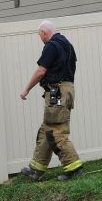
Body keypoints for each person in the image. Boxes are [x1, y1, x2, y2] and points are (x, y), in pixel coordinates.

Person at [19, 20, 83, 182]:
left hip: (57, 91)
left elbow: (41, 71)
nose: (40, 38)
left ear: (43, 32)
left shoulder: (51, 45)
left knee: (55, 130)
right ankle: (36, 169)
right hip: (66, 90)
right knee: (46, 128)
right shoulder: (68, 45)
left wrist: (26, 89)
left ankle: (74, 168)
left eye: (39, 35)